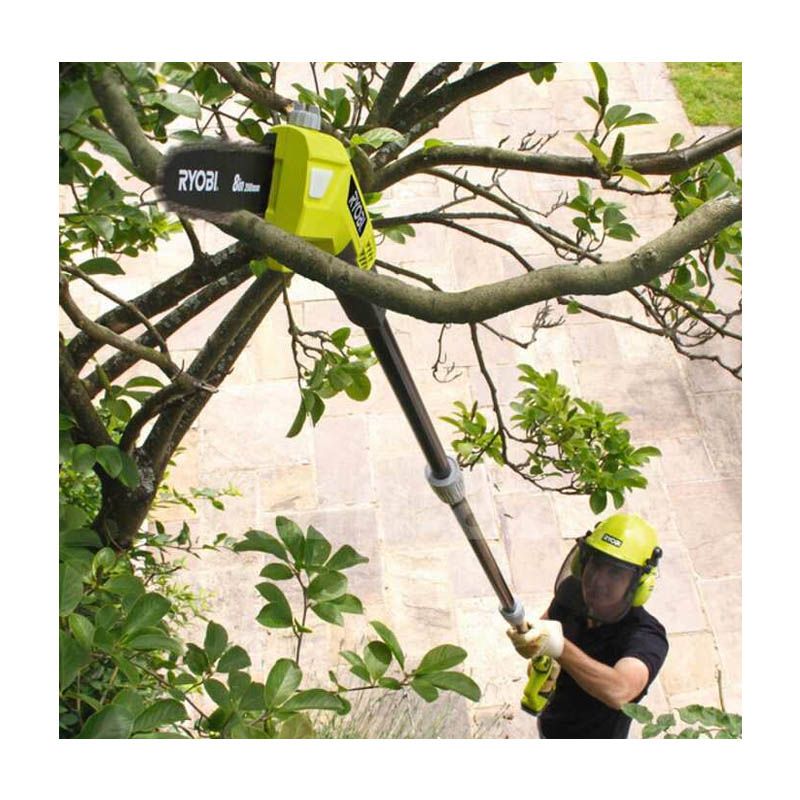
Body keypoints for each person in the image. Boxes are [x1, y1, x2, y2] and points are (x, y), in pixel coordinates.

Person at [507, 513, 669, 738]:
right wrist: (536, 649)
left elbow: (621, 691)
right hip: (549, 724)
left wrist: (560, 647)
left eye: (615, 573)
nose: (597, 580)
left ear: (639, 585)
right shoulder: (572, 592)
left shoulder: (647, 637)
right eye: (596, 564)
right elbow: (544, 629)